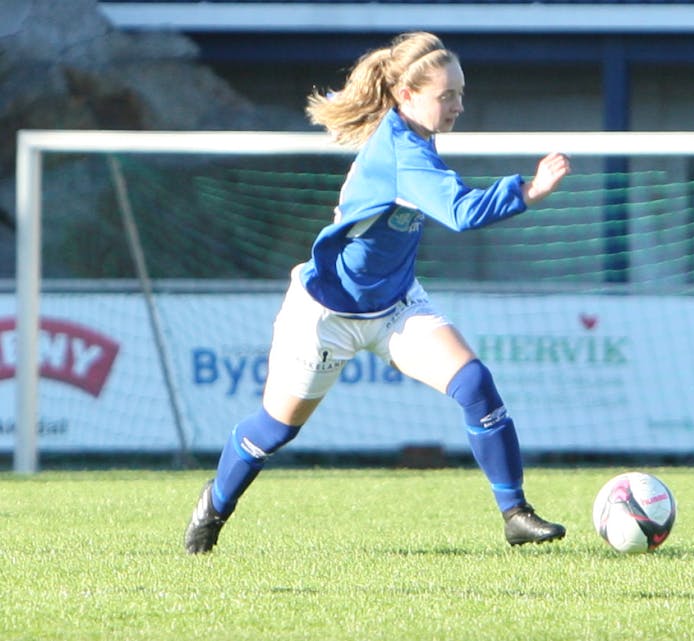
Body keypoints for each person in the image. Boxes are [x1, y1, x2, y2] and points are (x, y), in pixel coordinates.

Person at [184, 31, 571, 553]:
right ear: (407, 96)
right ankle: (213, 508)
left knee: (475, 382)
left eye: (461, 91)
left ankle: (515, 513)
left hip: (394, 304)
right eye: (447, 95)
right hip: (327, 314)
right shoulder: (401, 152)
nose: (459, 104)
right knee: (274, 431)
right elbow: (459, 213)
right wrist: (528, 190)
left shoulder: (416, 135)